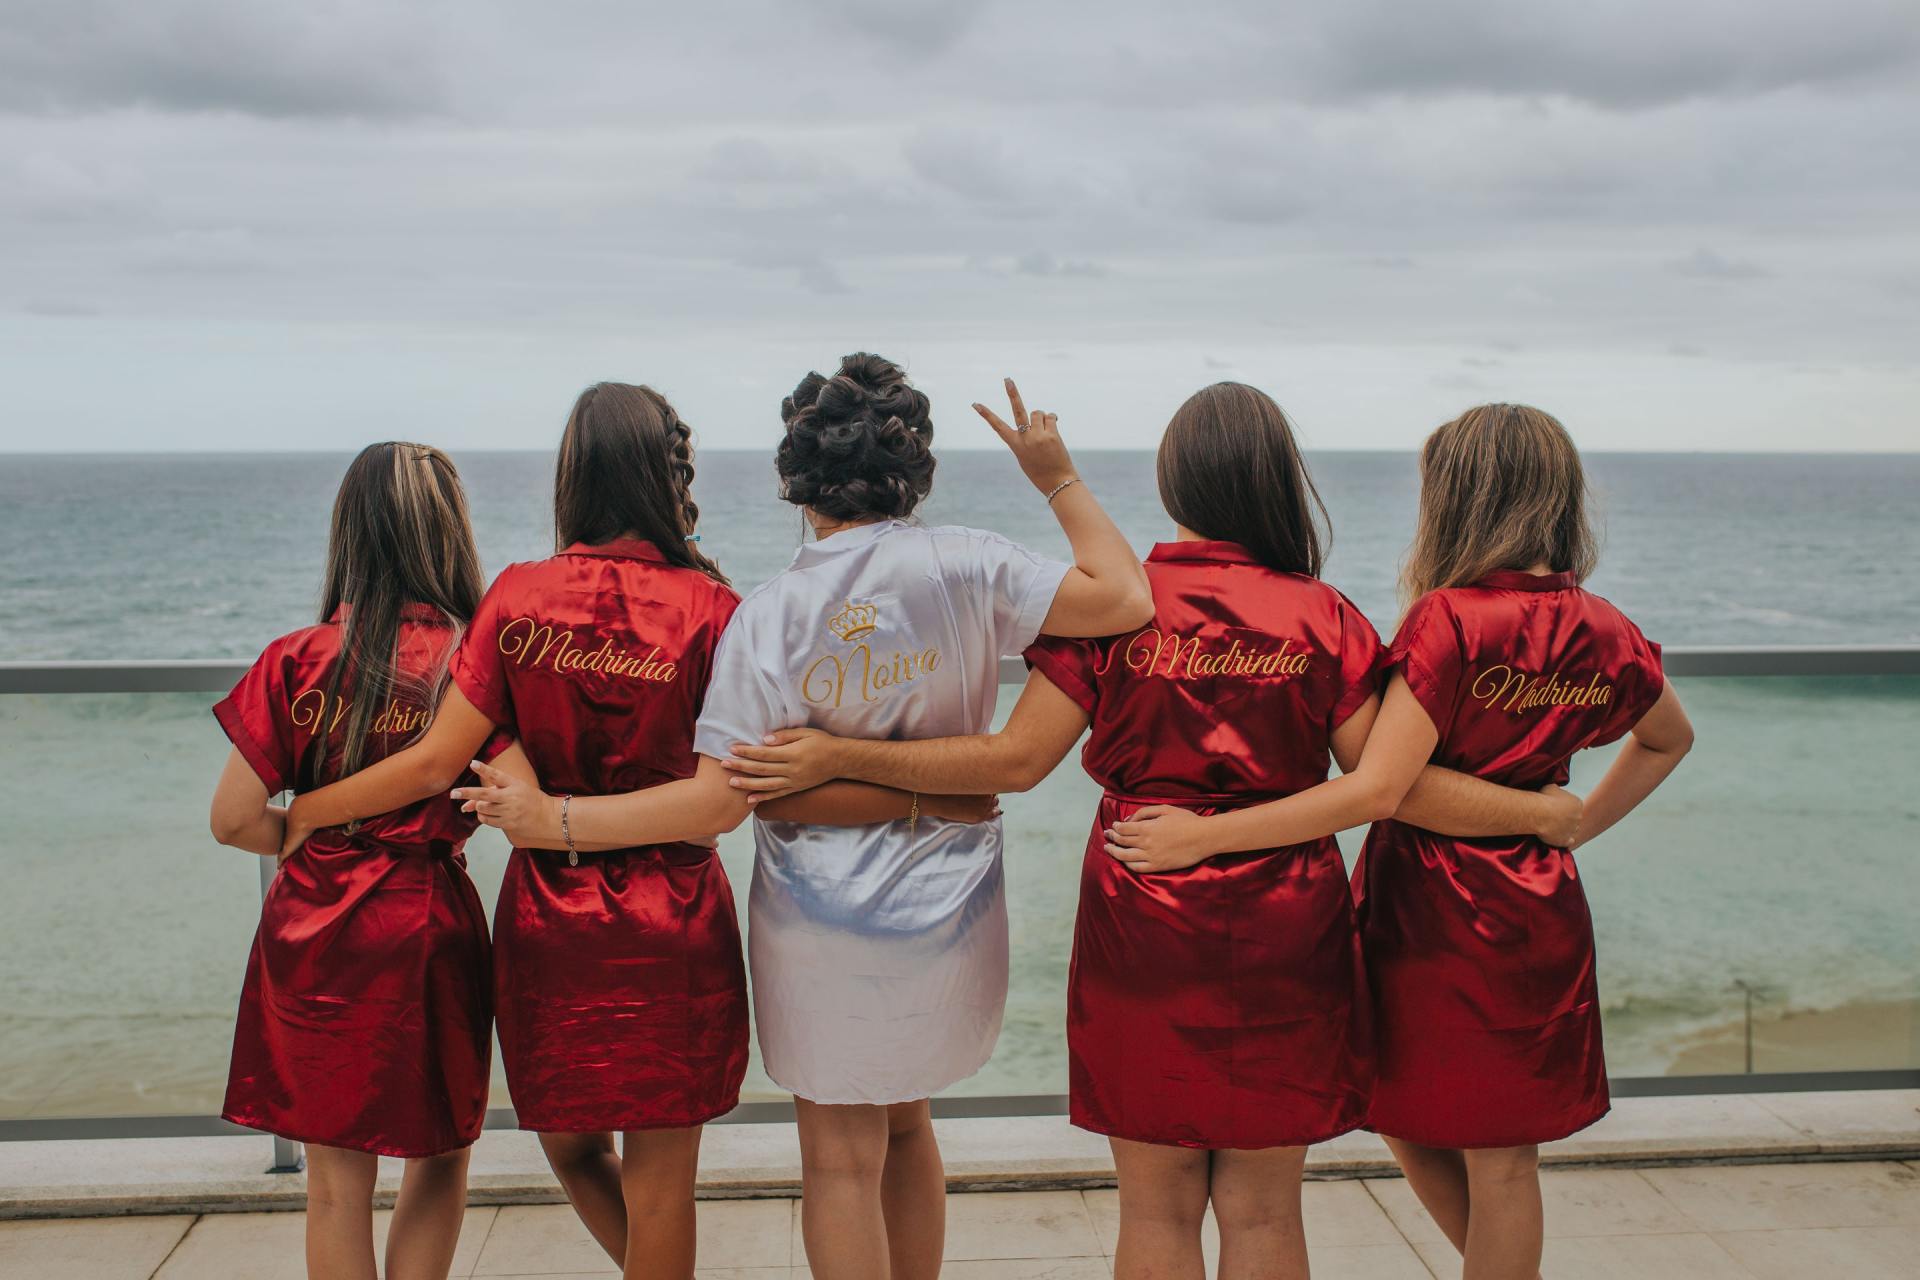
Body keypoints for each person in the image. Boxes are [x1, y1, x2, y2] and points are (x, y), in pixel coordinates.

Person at [717, 383, 1582, 1280]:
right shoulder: (1324, 616)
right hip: (1291, 923)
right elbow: (1388, 785)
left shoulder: (1120, 614)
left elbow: (1013, 760)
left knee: (1156, 1208)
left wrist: (837, 758)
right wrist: (1535, 809)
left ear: (1173, 483)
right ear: (1279, 481)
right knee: (1265, 1213)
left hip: (1143, 913)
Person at [452, 353, 1154, 1280]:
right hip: (950, 906)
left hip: (818, 913)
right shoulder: (974, 561)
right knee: (908, 1122)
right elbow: (1126, 598)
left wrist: (555, 818)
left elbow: (737, 792)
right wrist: (1054, 475)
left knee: (838, 1157)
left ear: (796, 479)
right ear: (914, 471)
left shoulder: (771, 612)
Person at [279, 384, 948, 1280]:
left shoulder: (516, 598)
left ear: (571, 475)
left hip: (550, 925)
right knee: (665, 1183)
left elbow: (449, 757)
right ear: (668, 478)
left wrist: (311, 812)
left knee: (571, 1150)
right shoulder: (716, 611)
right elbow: (726, 796)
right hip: (673, 920)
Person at [1359, 404, 1692, 1279]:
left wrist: (1568, 821)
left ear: (1458, 500)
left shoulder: (1450, 620)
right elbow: (1667, 738)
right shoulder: (1605, 625)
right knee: (1482, 1144)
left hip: (1425, 907)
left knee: (1427, 1118)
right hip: (1535, 904)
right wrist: (1565, 827)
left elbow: (1388, 785)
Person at [209, 442, 495, 1280]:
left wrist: (302, 830)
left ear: (350, 532)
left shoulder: (296, 659)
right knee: (438, 1155)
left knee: (334, 1182)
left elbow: (231, 821)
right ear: (449, 533)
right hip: (424, 923)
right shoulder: (472, 659)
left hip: (312, 927)